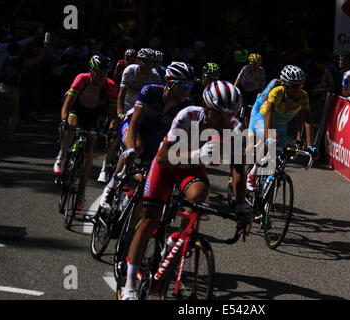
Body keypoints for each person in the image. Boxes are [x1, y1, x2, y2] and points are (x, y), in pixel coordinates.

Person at [120, 80, 251, 300]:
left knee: (200, 193)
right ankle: (130, 283)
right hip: (166, 166)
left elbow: (238, 169)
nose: (226, 120)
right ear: (208, 109)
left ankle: (179, 238)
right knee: (150, 219)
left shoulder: (234, 127)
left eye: (231, 114)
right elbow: (163, 159)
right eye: (221, 114)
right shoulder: (188, 115)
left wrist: (240, 206)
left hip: (189, 170)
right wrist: (198, 155)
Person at [99, 62, 195, 209]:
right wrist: (130, 148)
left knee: (150, 174)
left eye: (189, 86)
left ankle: (131, 198)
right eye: (182, 85)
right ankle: (111, 186)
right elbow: (135, 123)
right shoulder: (150, 91)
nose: (186, 90)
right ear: (169, 82)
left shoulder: (186, 105)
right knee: (136, 148)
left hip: (156, 135)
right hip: (133, 126)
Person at [53, 55, 118, 211]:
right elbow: (67, 105)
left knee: (89, 151)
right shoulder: (81, 79)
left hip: (94, 114)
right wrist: (63, 120)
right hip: (77, 108)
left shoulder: (110, 86)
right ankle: (61, 156)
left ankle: (81, 194)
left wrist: (111, 129)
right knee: (71, 125)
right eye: (99, 72)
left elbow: (113, 113)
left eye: (105, 72)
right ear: (91, 70)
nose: (102, 76)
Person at [246, 65, 317, 191]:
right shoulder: (277, 92)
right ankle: (253, 172)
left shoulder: (303, 96)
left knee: (279, 160)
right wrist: (268, 137)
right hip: (262, 119)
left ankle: (267, 190)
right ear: (285, 85)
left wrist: (310, 144)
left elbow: (307, 120)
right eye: (294, 86)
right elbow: (268, 114)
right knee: (270, 141)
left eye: (300, 85)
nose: (298, 89)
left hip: (280, 125)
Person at [98, 48, 161, 183]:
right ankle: (104, 168)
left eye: (151, 62)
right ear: (139, 61)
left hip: (141, 109)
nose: (149, 64)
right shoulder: (130, 71)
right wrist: (120, 113)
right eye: (146, 61)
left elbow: (154, 101)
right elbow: (120, 95)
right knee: (114, 136)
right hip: (126, 105)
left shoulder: (155, 77)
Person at [0, 41, 24, 142]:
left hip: (2, 86)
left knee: (0, 112)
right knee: (13, 113)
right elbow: (36, 61)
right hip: (13, 88)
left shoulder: (6, 60)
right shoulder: (20, 61)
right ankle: (10, 135)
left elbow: (0, 73)